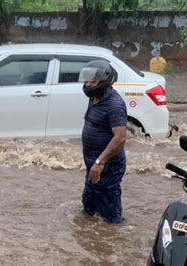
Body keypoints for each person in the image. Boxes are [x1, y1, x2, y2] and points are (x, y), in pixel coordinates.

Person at [78, 60, 128, 224]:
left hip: (108, 166)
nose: (88, 83)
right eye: (87, 79)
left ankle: (114, 241)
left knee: (109, 215)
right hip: (93, 164)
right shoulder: (94, 98)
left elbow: (120, 137)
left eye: (93, 80)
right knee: (89, 208)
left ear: (104, 81)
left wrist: (100, 162)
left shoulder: (114, 104)